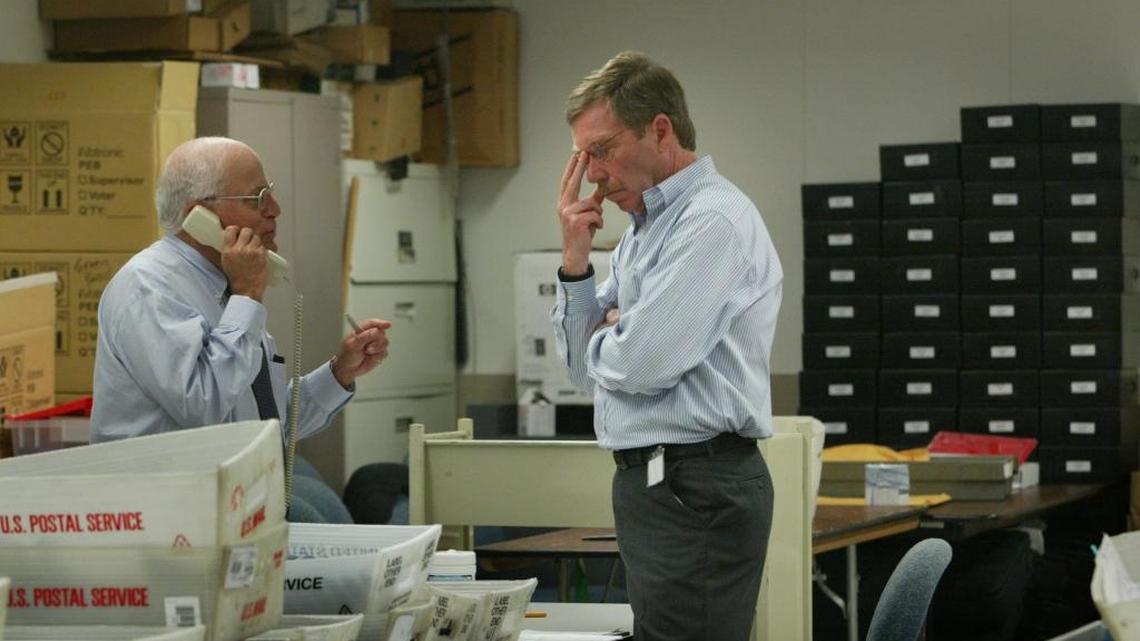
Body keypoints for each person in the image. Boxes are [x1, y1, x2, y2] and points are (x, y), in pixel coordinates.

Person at [551, 52, 783, 640]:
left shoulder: (711, 222)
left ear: (660, 130)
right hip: (660, 483)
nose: (593, 176)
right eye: (582, 158)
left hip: (694, 483)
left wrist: (612, 337)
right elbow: (582, 371)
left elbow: (644, 363)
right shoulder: (643, 234)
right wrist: (576, 264)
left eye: (601, 151)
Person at [92, 136, 391, 524]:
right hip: (166, 520)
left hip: (227, 508)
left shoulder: (222, 286)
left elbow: (264, 424)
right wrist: (248, 296)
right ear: (201, 216)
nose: (275, 210)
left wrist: (340, 373)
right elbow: (204, 405)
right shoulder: (148, 287)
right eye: (259, 197)